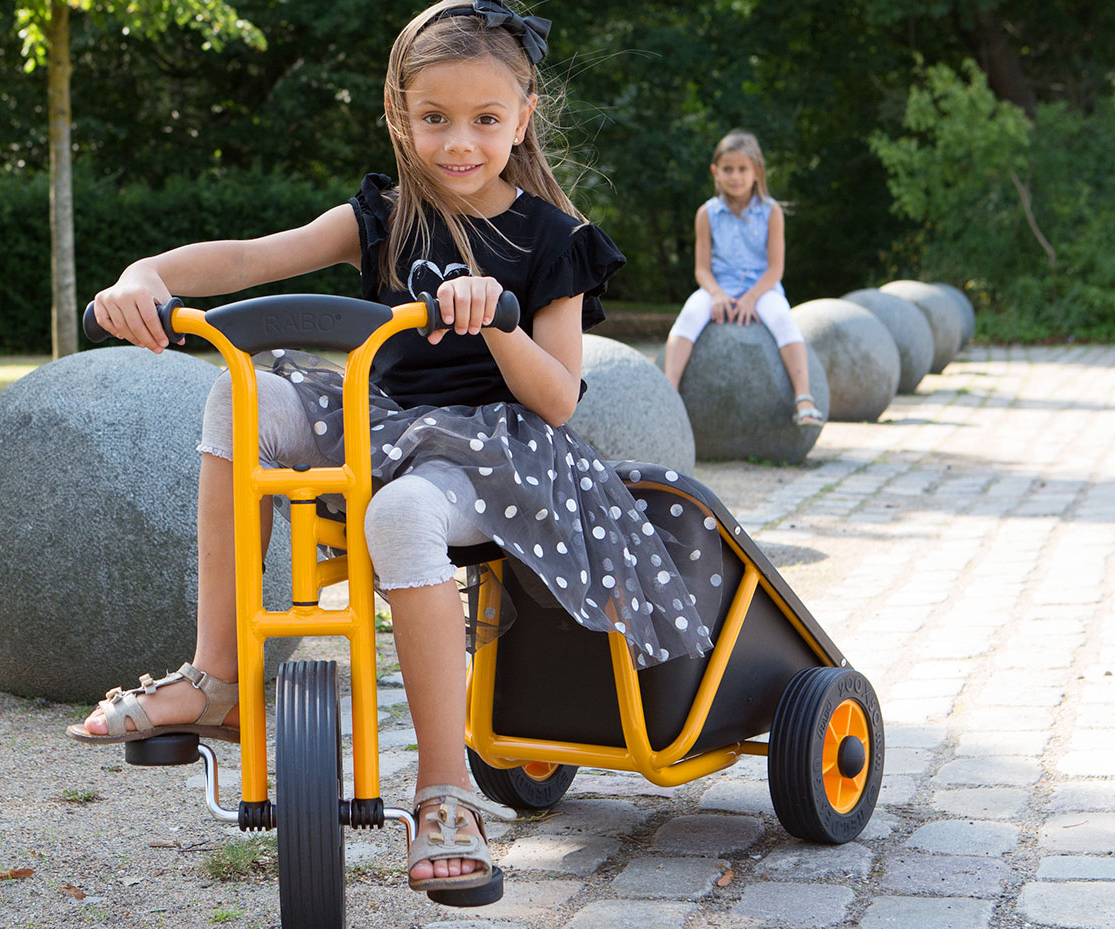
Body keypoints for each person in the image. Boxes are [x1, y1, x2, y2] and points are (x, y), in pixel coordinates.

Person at [67, 0, 717, 893]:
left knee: (401, 511)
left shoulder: (555, 242)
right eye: (436, 118)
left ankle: (446, 788)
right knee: (240, 393)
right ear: (400, 118)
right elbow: (253, 259)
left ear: (523, 118)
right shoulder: (382, 214)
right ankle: (217, 679)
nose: (460, 142)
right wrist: (147, 277)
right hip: (385, 421)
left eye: (486, 120)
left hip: (497, 454)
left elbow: (560, 398)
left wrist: (499, 321)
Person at [662, 131, 823, 426]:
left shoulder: (772, 212)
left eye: (742, 169)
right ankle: (667, 393)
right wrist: (717, 294)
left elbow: (775, 268)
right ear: (716, 172)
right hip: (717, 287)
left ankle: (804, 397)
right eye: (728, 169)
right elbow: (702, 269)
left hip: (762, 289)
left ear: (757, 172)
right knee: (688, 317)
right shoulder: (706, 214)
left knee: (784, 320)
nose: (735, 176)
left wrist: (751, 297)